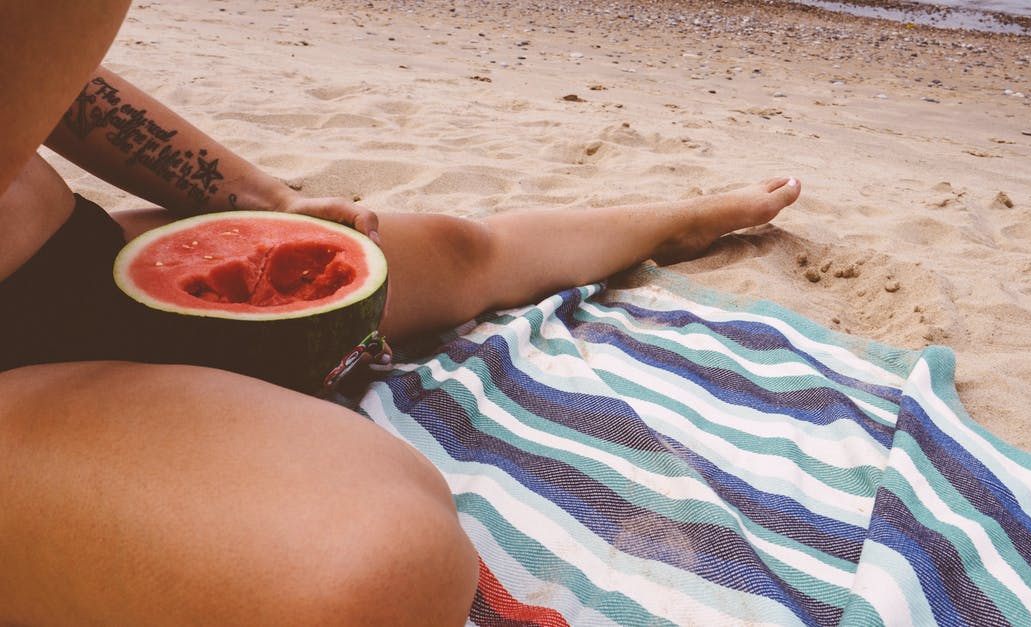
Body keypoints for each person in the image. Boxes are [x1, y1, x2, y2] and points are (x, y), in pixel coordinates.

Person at [0, 2, 801, 624]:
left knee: (462, 250)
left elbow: (57, 86)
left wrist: (262, 200)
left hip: (66, 251)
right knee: (388, 566)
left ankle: (675, 218)